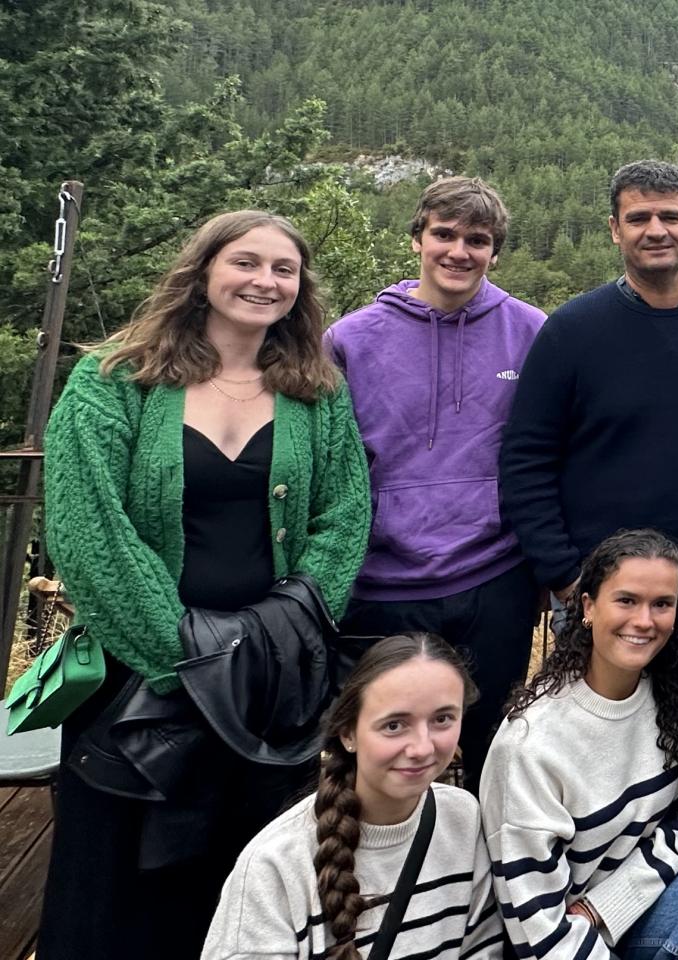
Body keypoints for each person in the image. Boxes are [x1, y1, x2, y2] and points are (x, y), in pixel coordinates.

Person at [38, 210, 372, 960]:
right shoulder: (114, 380)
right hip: (138, 680)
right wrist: (182, 651)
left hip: (267, 683)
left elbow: (346, 516)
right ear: (204, 271)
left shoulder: (317, 391)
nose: (265, 281)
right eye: (246, 262)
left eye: (283, 269)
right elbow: (88, 531)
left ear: (300, 288)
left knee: (243, 880)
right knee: (114, 892)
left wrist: (285, 629)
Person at [498, 160, 678, 860]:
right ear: (615, 230)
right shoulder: (573, 331)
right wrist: (560, 571)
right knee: (583, 722)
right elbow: (526, 455)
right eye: (639, 217)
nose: (656, 230)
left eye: (669, 216)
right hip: (593, 581)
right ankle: (587, 866)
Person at [327, 176, 546, 790]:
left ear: (495, 251)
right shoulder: (351, 339)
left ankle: (484, 877)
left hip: (495, 576)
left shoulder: (531, 333)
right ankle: (367, 880)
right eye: (443, 234)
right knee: (382, 755)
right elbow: (325, 463)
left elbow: (551, 449)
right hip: (382, 581)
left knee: (491, 745)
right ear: (418, 238)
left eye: (477, 239)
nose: (458, 251)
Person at [479, 529, 678, 960]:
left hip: (626, 910)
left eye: (662, 604)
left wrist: (601, 910)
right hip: (547, 939)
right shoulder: (530, 745)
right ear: (587, 607)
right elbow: (537, 931)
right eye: (626, 600)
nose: (644, 621)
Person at [202, 633, 506, 959]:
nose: (422, 748)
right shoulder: (274, 864)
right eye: (394, 725)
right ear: (348, 733)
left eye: (442, 719)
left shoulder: (462, 817)